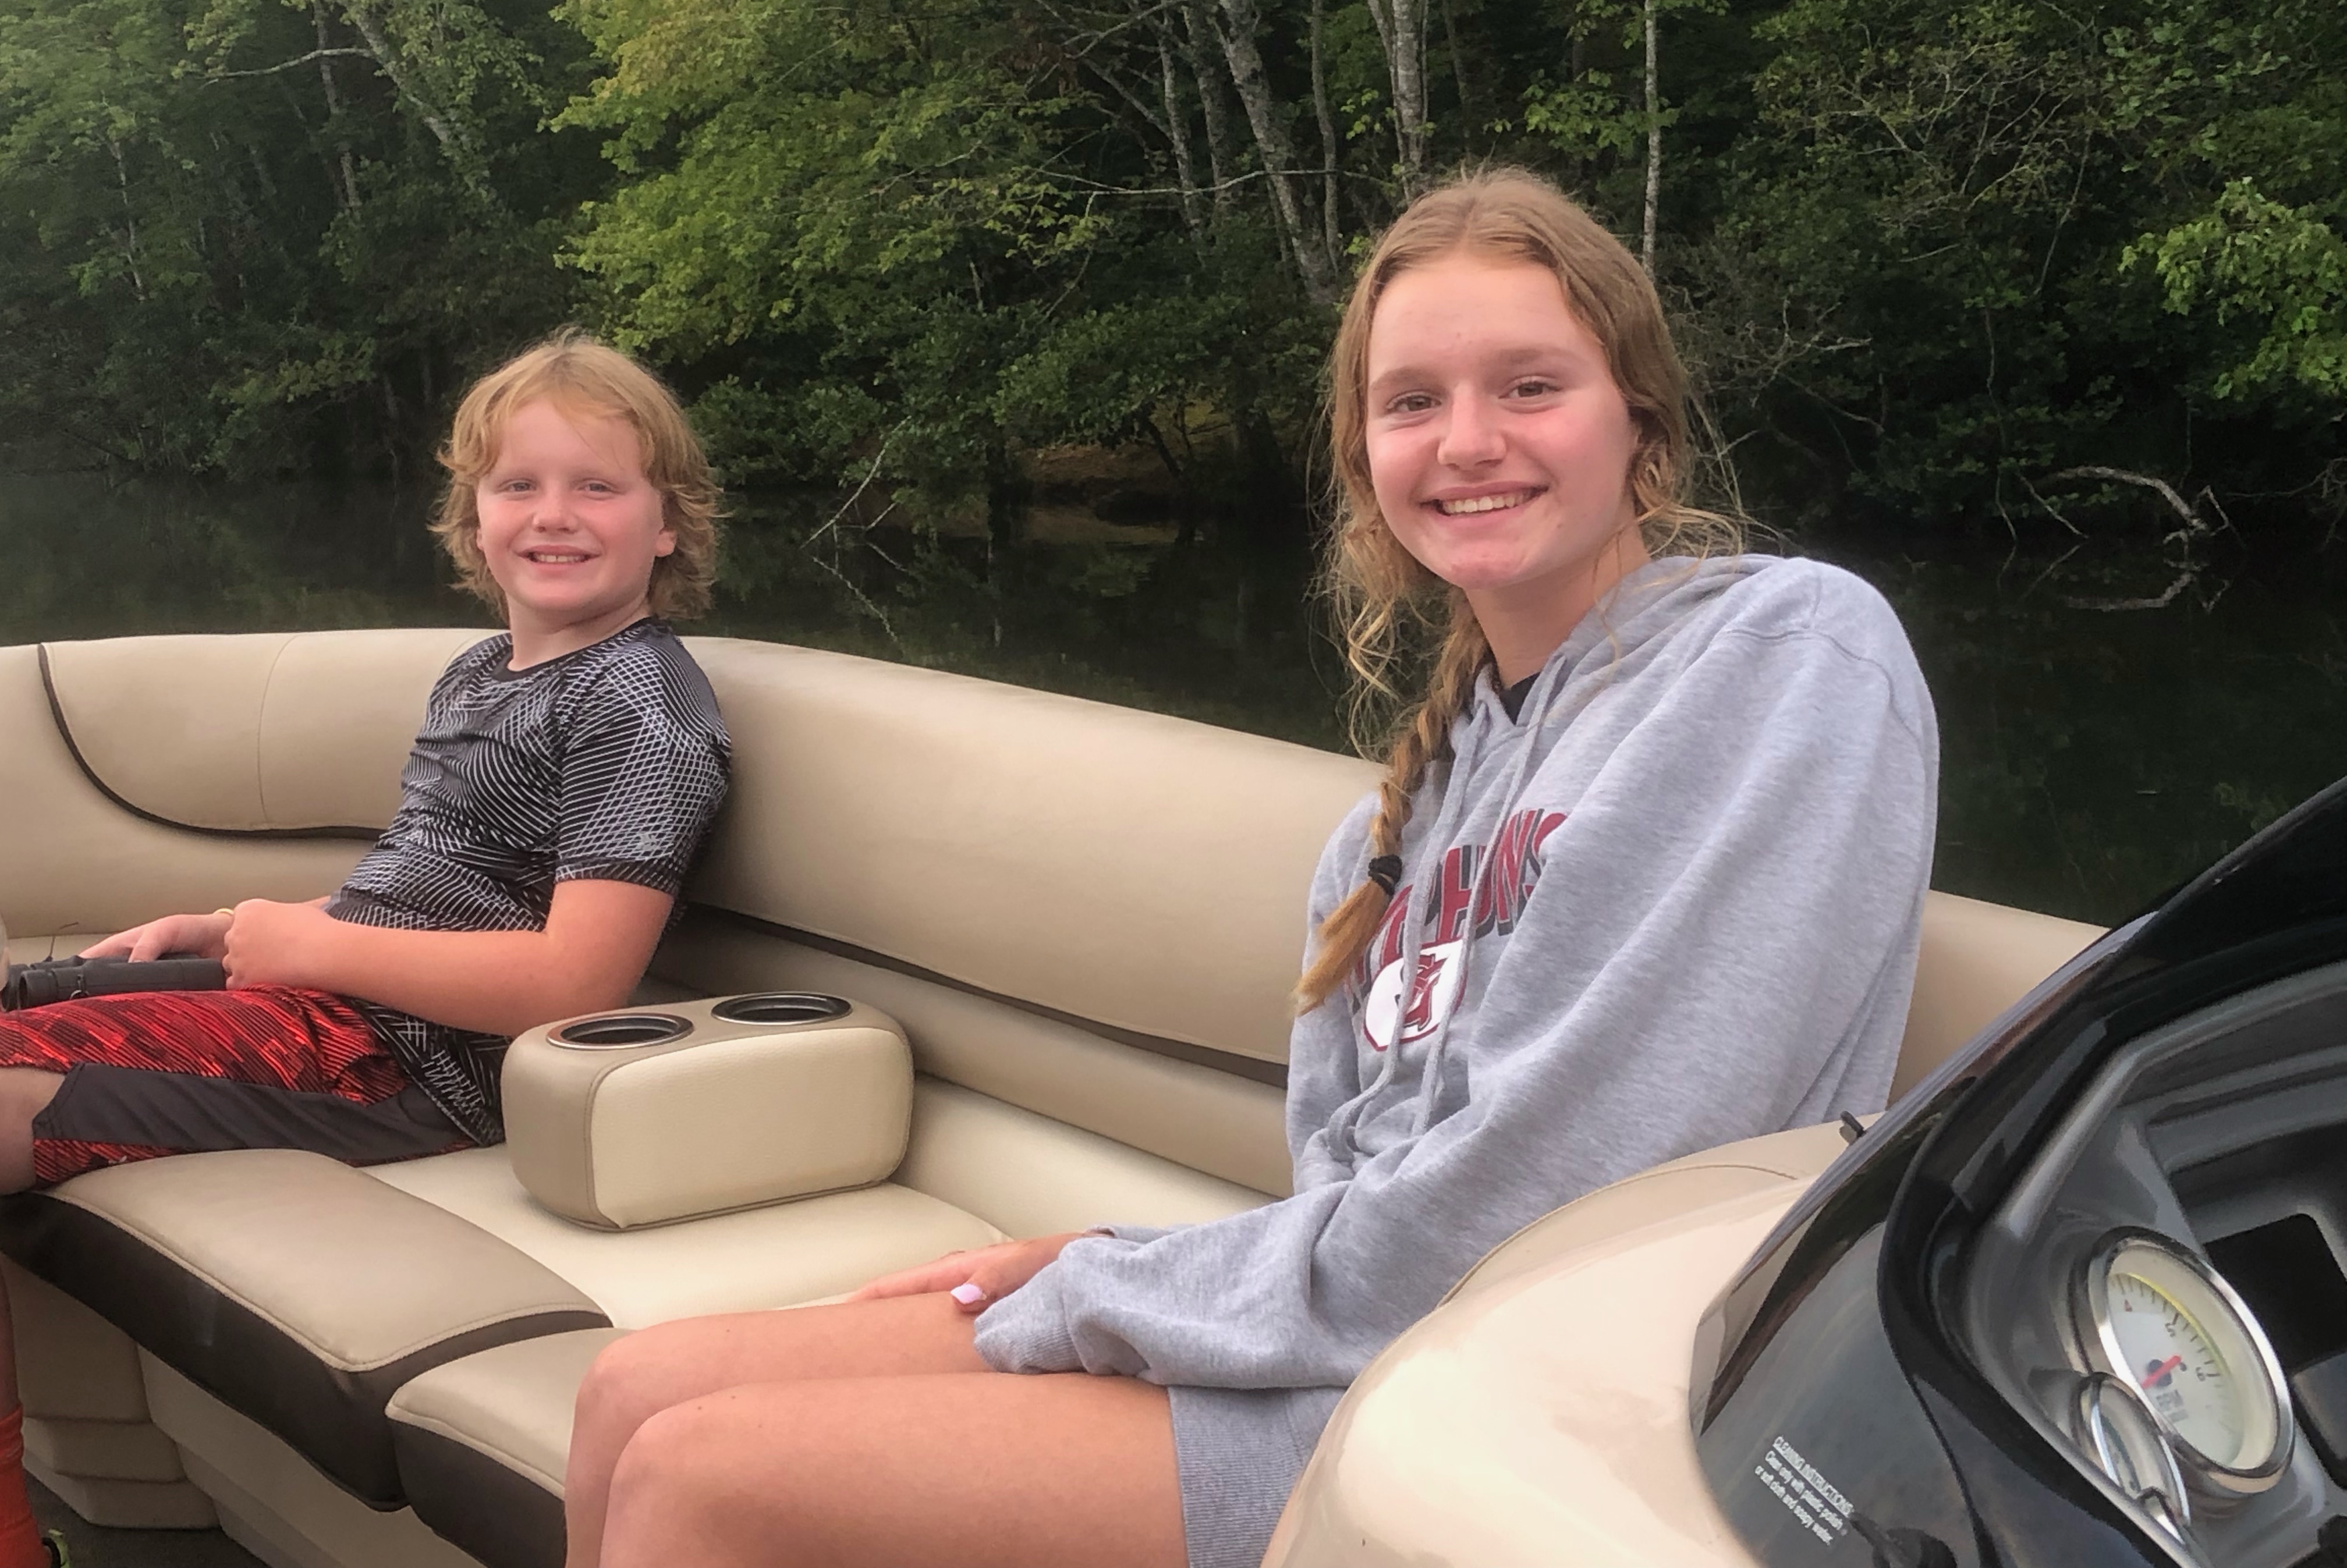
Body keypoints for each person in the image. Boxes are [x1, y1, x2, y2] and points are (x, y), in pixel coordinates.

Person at [558, 168, 1938, 1568]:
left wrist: (1113, 1284)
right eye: (1412, 402)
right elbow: (1349, 1191)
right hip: (1373, 1341)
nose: (1468, 441)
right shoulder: (1387, 834)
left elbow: (1554, 1198)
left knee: (699, 1478)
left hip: (1560, 1395)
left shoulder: (1782, 656)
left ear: (1637, 413)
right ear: (1364, 455)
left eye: (1531, 387)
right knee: (627, 1393)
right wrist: (1111, 1267)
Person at [0, 333, 732, 1568]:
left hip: (412, 1065)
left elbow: (575, 982)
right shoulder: (483, 671)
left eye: (598, 486)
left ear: (669, 524)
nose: (554, 515)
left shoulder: (639, 706)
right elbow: (426, 886)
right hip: (339, 1007)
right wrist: (229, 930)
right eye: (519, 484)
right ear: (475, 518)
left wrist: (315, 948)